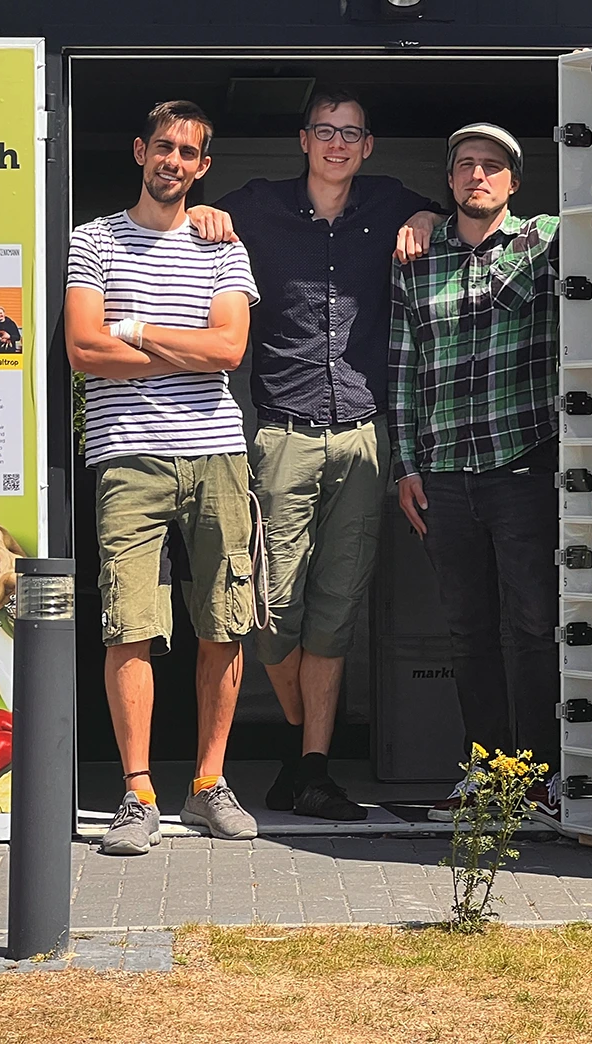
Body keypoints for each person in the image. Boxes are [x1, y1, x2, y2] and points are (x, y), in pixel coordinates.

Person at [187, 87, 441, 822]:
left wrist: (427, 217)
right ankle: (304, 751)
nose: (336, 143)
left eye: (350, 133)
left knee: (337, 607)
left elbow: (447, 210)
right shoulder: (256, 205)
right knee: (271, 607)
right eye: (324, 131)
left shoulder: (390, 202)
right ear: (303, 140)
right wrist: (202, 213)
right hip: (281, 436)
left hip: (363, 433)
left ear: (367, 146)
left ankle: (312, 769)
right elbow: (188, 218)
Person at [65, 99, 262, 856]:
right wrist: (186, 348)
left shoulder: (224, 246)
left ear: (203, 166)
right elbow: (84, 350)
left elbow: (229, 351)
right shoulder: (93, 240)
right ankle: (138, 793)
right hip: (126, 454)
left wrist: (138, 331)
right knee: (130, 625)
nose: (172, 162)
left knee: (224, 620)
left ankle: (209, 785)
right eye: (162, 147)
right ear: (139, 150)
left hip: (217, 453)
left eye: (187, 153)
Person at [388, 123, 560, 822]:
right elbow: (404, 366)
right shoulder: (416, 257)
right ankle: (485, 778)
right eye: (465, 164)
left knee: (536, 626)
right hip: (444, 473)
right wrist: (406, 465)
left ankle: (541, 779)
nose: (478, 175)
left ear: (514, 182)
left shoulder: (545, 242)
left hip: (523, 464)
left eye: (492, 165)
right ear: (450, 179)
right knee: (468, 632)